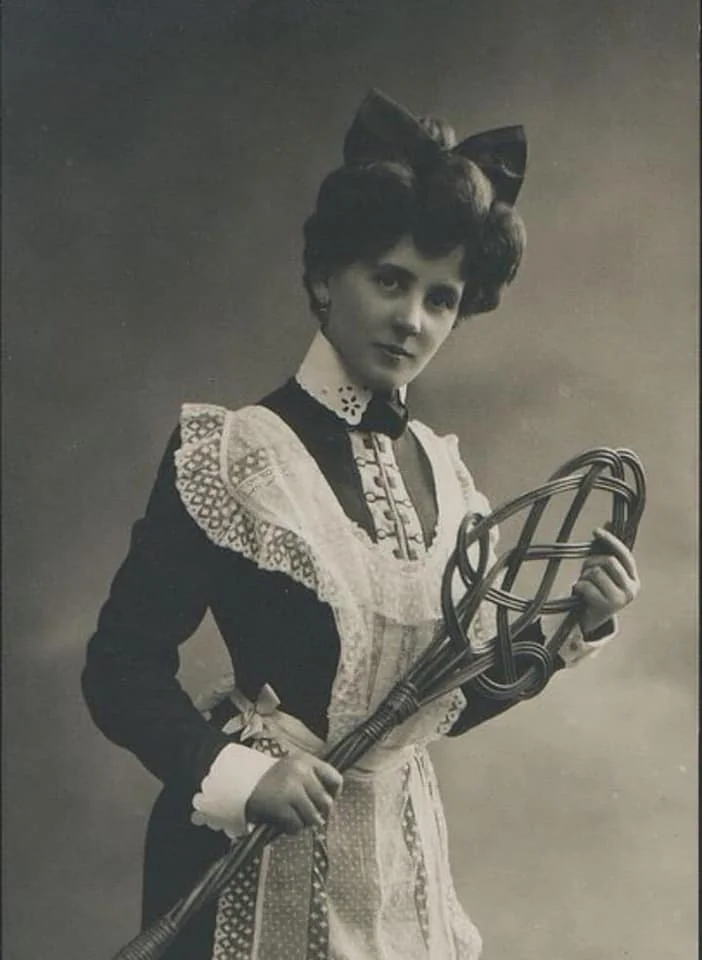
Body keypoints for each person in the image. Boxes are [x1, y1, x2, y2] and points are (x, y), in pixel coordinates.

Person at [82, 89, 641, 960]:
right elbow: (118, 666)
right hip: (243, 862)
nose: (412, 320)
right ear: (322, 278)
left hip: (396, 870)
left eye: (441, 298)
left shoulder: (448, 478)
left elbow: (432, 706)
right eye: (389, 280)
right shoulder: (238, 453)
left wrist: (574, 625)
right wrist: (240, 774)